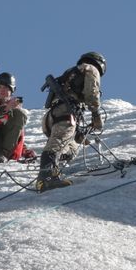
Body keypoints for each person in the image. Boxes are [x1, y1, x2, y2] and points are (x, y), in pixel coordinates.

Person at [35, 51, 105, 192]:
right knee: (60, 141)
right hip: (65, 114)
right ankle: (46, 177)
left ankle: (53, 169)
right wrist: (96, 116)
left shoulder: (71, 73)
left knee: (72, 146)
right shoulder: (91, 69)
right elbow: (92, 93)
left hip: (53, 117)